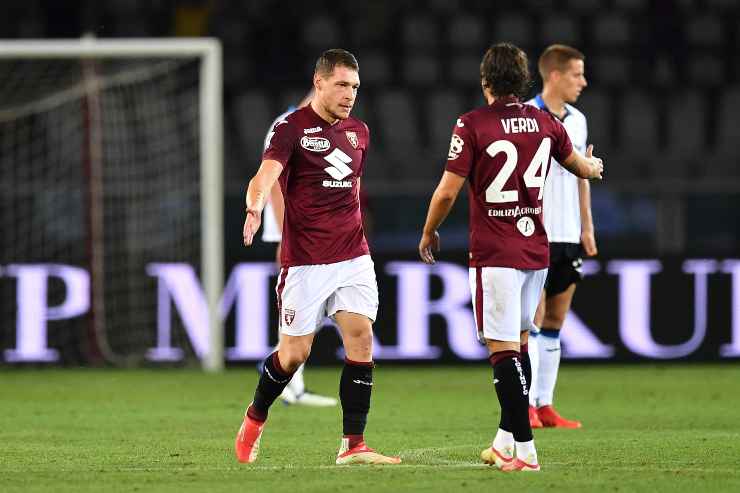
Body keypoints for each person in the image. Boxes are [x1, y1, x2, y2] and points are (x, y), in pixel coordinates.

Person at [418, 42, 603, 472]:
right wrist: (594, 168)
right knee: (519, 346)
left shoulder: (472, 124)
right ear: (524, 81)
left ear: (485, 82)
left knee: (503, 353)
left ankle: (526, 450)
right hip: (535, 252)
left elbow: (447, 190)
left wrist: (429, 231)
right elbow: (579, 167)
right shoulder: (546, 123)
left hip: (495, 254)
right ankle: (505, 442)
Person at [236, 48, 400, 466]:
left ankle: (353, 444)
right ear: (320, 81)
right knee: (295, 355)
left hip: (353, 256)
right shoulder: (290, 128)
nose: (350, 94)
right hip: (305, 261)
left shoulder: (359, 131)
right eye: (343, 84)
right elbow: (264, 176)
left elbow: (354, 188)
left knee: (361, 337)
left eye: (356, 87)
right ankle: (255, 418)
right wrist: (254, 205)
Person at [525, 45, 595, 429]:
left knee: (555, 319)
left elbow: (582, 173)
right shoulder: (526, 117)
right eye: (576, 74)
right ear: (554, 75)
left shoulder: (578, 120)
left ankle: (546, 404)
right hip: (535, 232)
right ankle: (528, 407)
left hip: (568, 232)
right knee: (532, 320)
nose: (582, 82)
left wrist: (587, 225)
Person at [260, 91, 338, 408]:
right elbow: (276, 185)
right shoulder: (288, 124)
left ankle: (293, 379)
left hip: (316, 232)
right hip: (295, 233)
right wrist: (284, 235)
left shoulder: (325, 126)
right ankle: (286, 375)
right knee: (301, 301)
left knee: (313, 304)